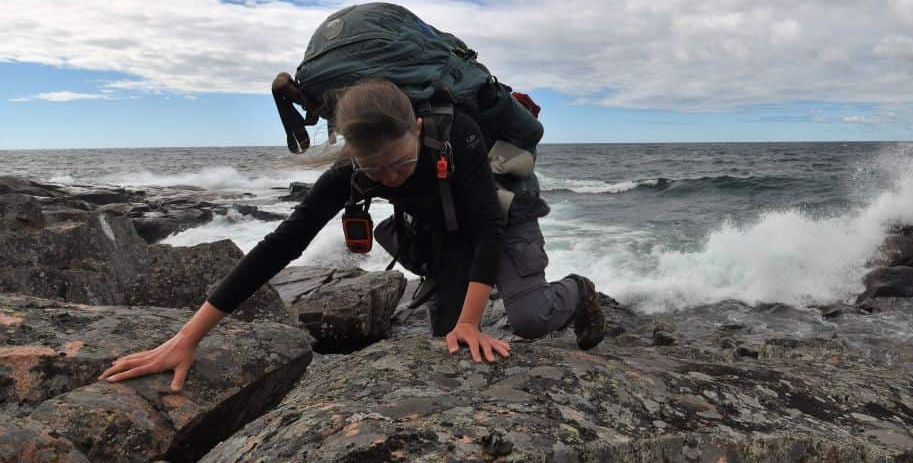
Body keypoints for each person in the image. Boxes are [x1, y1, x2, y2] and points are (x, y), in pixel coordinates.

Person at [101, 78, 606, 390]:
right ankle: (452, 302)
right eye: (375, 169)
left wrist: (473, 321)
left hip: (499, 216)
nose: (390, 177)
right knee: (447, 353)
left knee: (529, 319)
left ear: (416, 127)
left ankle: (577, 291)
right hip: (441, 236)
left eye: (401, 162)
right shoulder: (350, 171)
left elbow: (488, 231)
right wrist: (186, 338)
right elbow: (280, 246)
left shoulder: (459, 135)